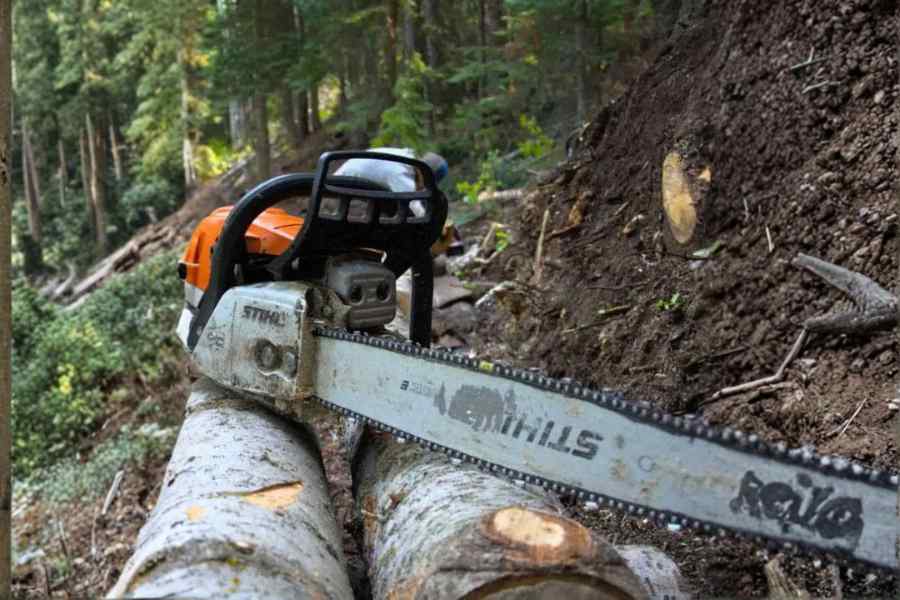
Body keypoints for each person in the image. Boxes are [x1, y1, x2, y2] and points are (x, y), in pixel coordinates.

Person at [333, 147, 448, 192]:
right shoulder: (401, 171)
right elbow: (413, 206)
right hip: (341, 190)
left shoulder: (404, 158)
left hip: (344, 185)